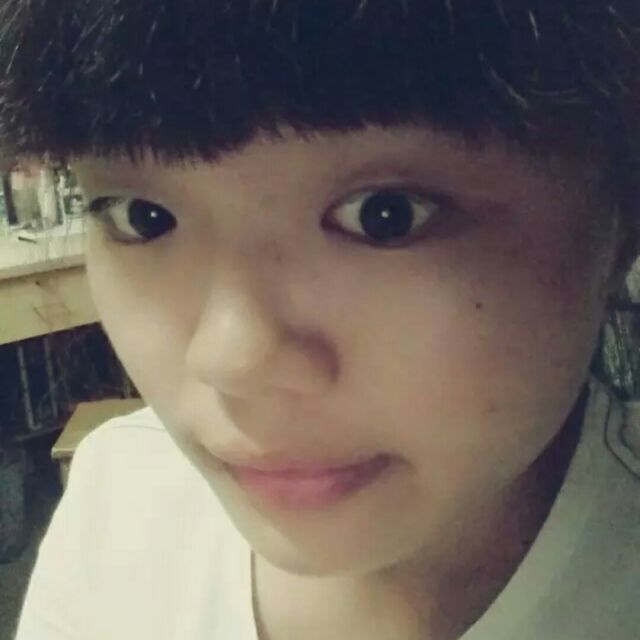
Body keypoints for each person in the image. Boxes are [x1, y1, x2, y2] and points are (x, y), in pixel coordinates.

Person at [3, 1, 640, 639]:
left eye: (386, 215)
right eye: (143, 217)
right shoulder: (119, 498)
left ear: (620, 224)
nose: (233, 360)